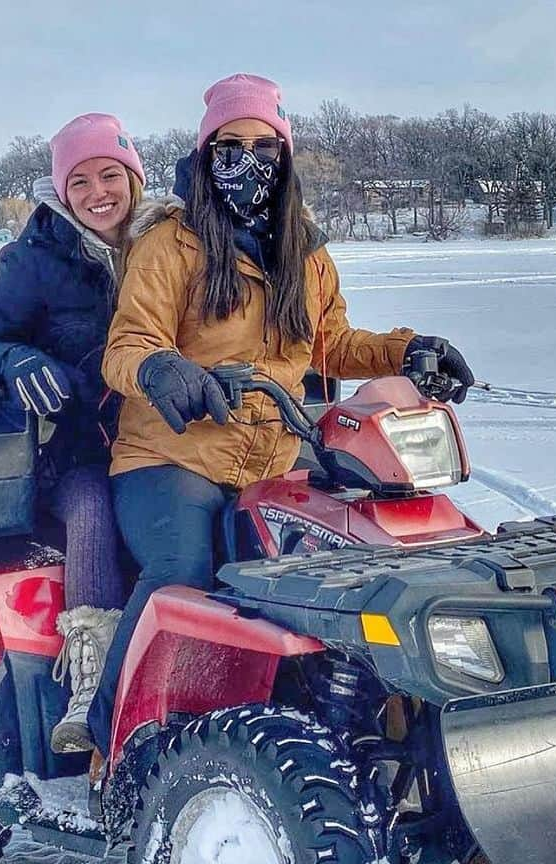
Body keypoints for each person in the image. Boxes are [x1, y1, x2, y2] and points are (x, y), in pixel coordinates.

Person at [87, 73, 474, 754]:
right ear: (206, 155)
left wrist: (411, 349)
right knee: (182, 568)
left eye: (264, 146)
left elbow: (334, 343)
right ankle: (113, 738)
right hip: (170, 456)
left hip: (272, 456)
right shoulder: (171, 244)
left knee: (354, 557)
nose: (248, 161)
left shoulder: (306, 253)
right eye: (230, 146)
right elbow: (127, 343)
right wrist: (162, 367)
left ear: (285, 155)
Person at [0, 113, 146, 754]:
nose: (99, 193)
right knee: (94, 508)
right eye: (81, 180)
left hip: (162, 436)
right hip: (70, 450)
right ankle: (90, 679)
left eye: (111, 175)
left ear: (133, 177)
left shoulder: (166, 245)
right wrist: (18, 360)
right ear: (61, 192)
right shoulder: (35, 259)